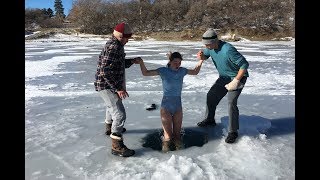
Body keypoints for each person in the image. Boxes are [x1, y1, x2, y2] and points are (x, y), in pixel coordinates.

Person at [137, 52, 205, 152]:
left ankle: (181, 157)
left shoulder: (182, 71)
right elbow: (145, 73)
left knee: (177, 136)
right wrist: (141, 62)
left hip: (178, 106)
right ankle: (166, 156)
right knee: (168, 136)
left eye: (179, 62)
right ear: (170, 61)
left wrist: (201, 60)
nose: (177, 65)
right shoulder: (163, 71)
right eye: (175, 62)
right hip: (166, 106)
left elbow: (195, 72)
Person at [94, 22, 142, 157]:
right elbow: (105, 71)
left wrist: (132, 61)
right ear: (121, 36)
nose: (128, 41)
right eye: (127, 38)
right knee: (119, 114)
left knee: (111, 107)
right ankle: (116, 146)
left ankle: (109, 128)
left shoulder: (116, 45)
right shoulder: (114, 47)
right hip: (107, 85)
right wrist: (118, 88)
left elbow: (118, 64)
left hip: (106, 84)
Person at [196, 28, 249, 144]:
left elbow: (244, 65)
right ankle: (210, 119)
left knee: (231, 102)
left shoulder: (228, 49)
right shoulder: (209, 48)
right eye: (205, 45)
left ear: (215, 41)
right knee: (211, 96)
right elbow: (205, 55)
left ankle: (233, 132)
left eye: (208, 45)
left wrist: (236, 81)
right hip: (224, 77)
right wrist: (202, 56)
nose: (206, 47)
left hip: (238, 77)